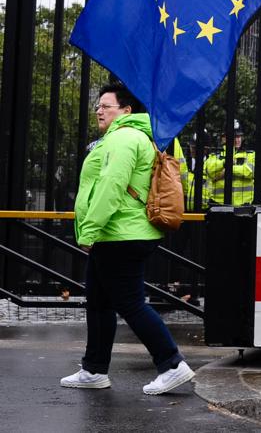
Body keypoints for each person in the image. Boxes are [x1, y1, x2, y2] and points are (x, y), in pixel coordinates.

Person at [60, 83, 196, 395]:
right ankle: (93, 369)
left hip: (121, 233)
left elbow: (111, 185)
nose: (99, 110)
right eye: (98, 105)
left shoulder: (123, 138)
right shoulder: (137, 137)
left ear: (126, 111)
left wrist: (90, 230)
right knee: (98, 302)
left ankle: (171, 363)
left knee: (130, 303)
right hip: (120, 232)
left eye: (106, 105)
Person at [203, 120, 255, 206]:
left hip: (243, 205)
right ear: (224, 138)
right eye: (235, 137)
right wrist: (225, 162)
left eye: (239, 136)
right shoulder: (216, 155)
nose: (238, 139)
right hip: (218, 204)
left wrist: (228, 169)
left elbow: (249, 171)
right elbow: (210, 170)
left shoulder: (250, 154)